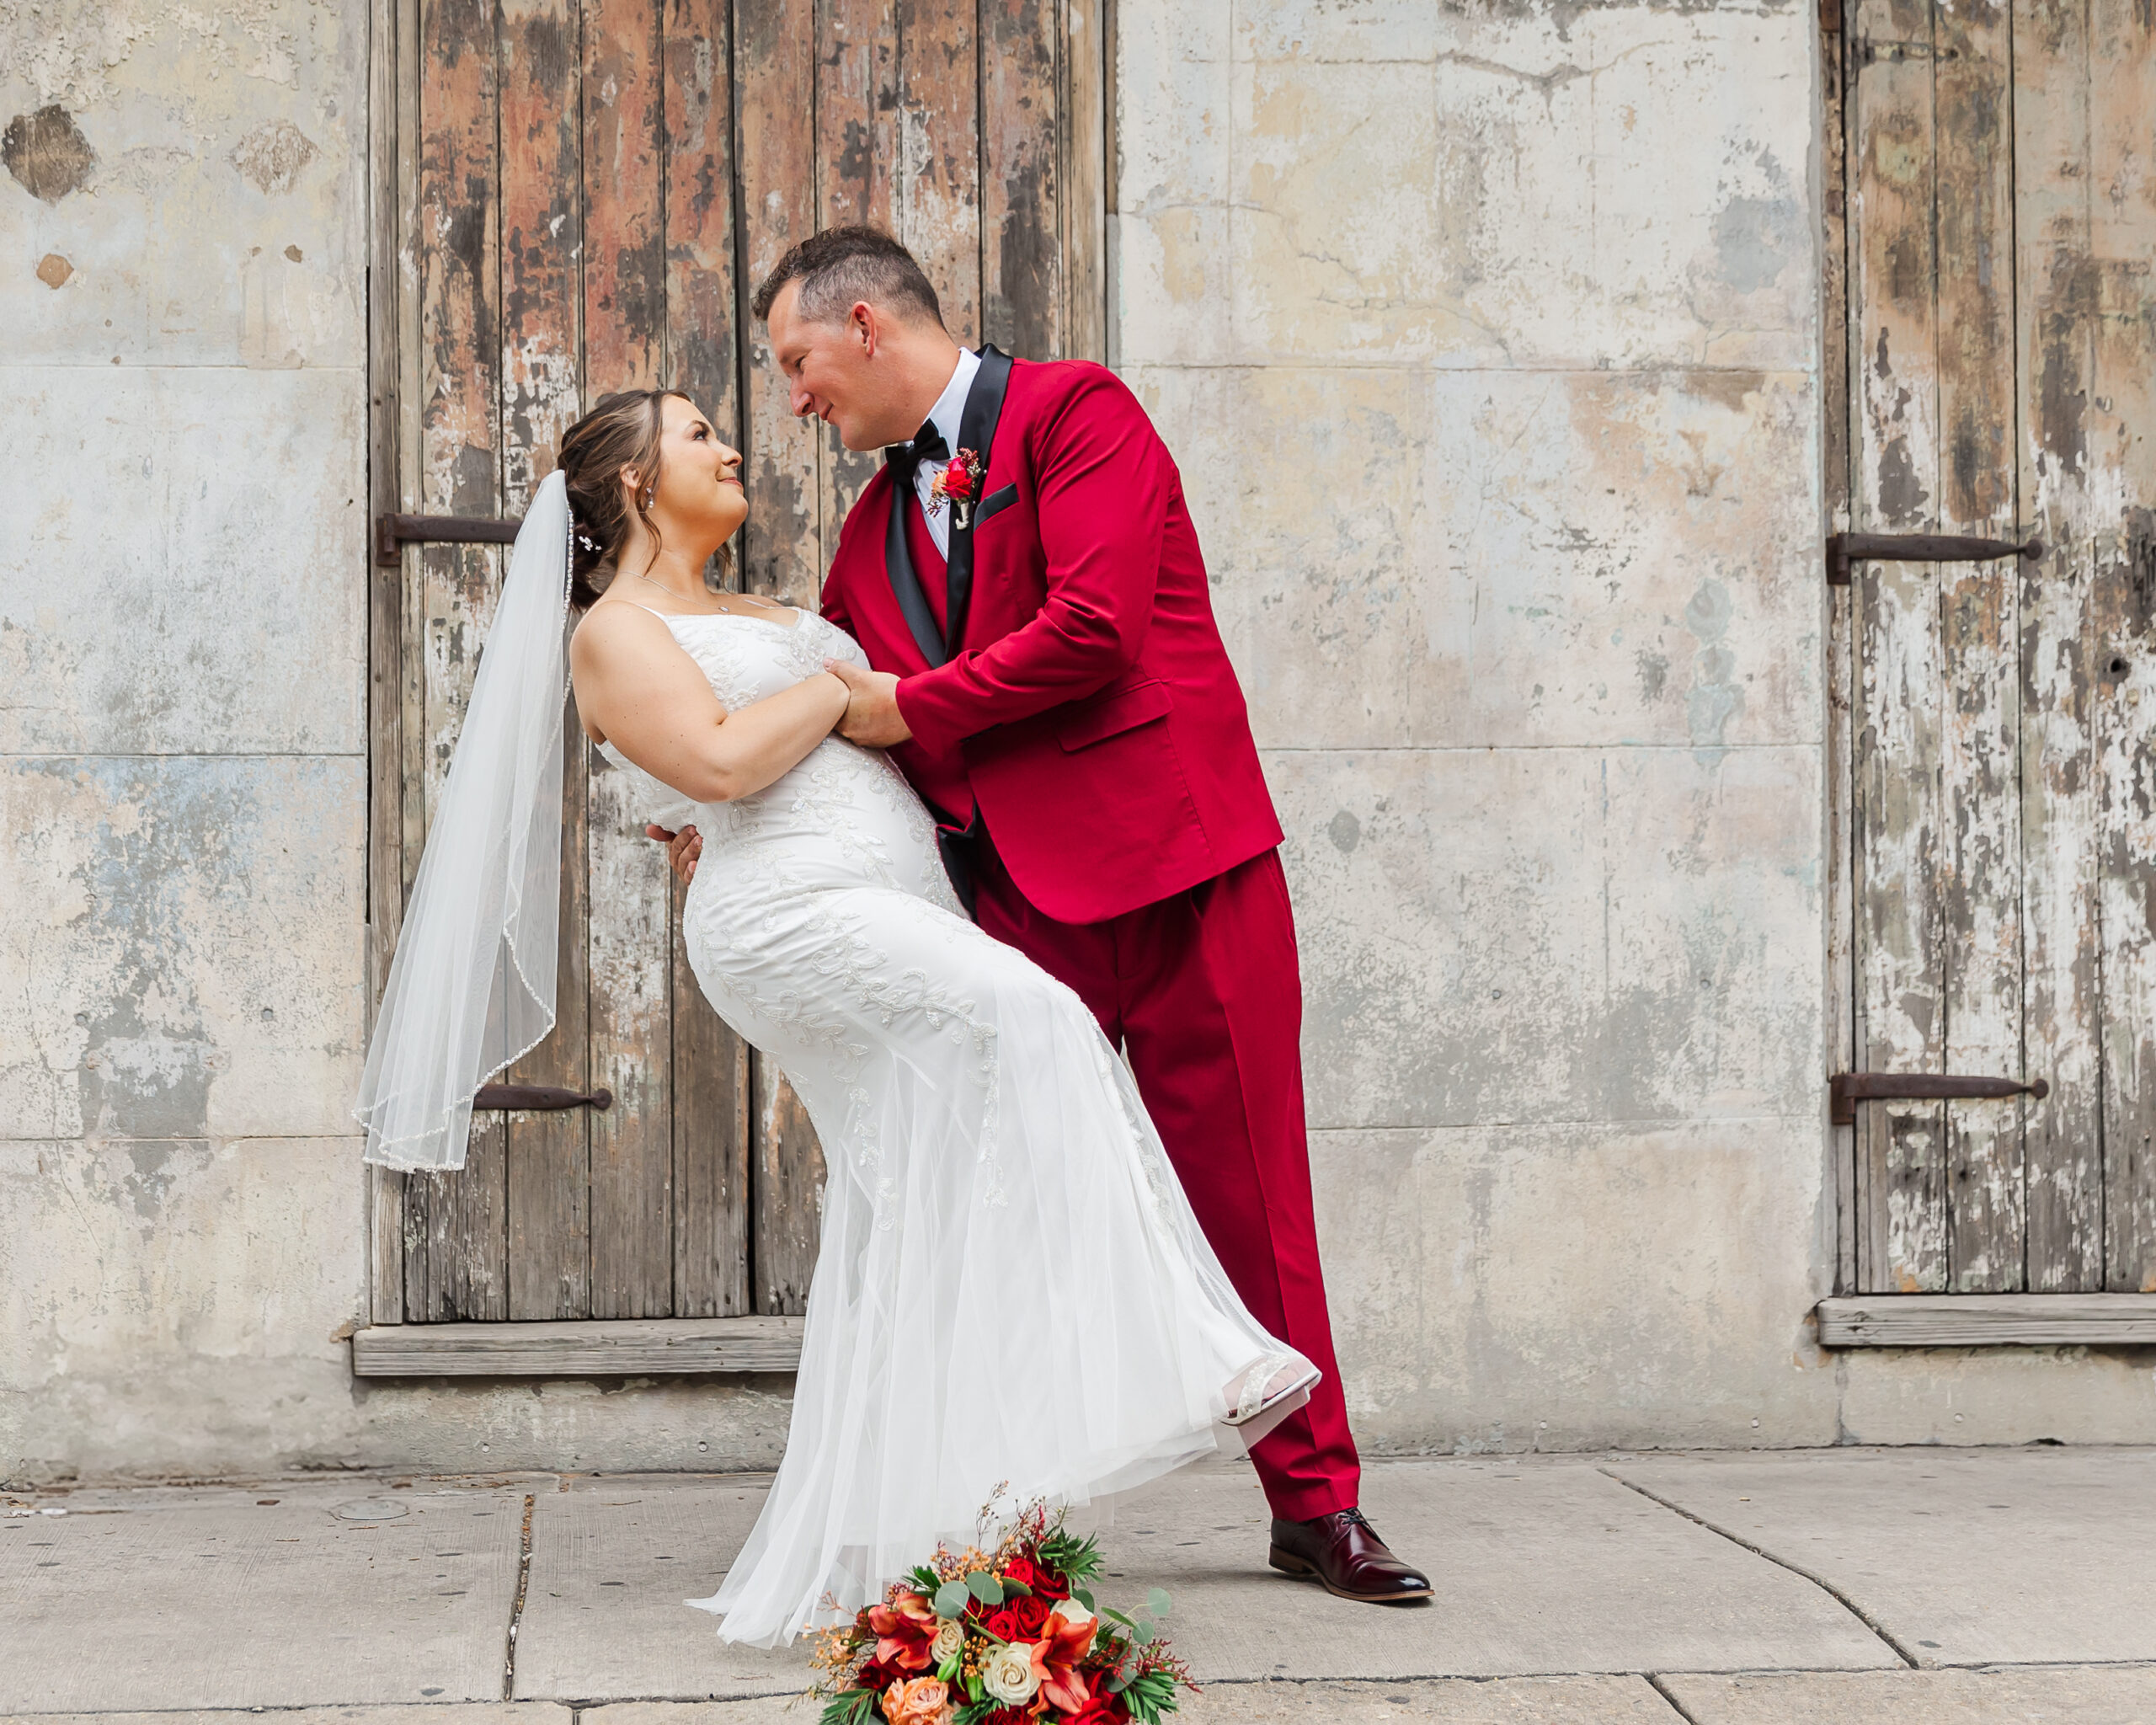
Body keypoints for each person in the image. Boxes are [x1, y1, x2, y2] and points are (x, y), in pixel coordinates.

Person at [355, 384, 1324, 1649]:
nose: (733, 442)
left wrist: (848, 698)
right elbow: (717, 765)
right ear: (639, 484)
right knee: (1040, 1021)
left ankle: (937, 1529)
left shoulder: (761, 610)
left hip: (888, 891)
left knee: (923, 1193)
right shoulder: (613, 628)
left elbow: (852, 733)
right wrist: (838, 697)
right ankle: (1198, 1351)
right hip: (788, 916)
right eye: (697, 433)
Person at [653, 227, 1430, 1610]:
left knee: (1252, 1199)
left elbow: (1094, 628)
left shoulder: (1079, 412)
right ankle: (1004, 1516)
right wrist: (721, 813)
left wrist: (910, 705)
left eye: (797, 363)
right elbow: (838, 726)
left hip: (1185, 871)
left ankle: (1316, 1505)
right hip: (1007, 906)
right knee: (1007, 1209)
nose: (794, 398)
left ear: (870, 326)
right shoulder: (863, 533)